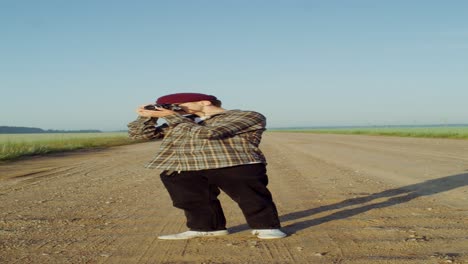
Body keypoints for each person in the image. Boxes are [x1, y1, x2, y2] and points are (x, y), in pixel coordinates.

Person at [127, 92, 286, 240]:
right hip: (185, 165)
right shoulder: (184, 121)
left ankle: (266, 226)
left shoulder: (247, 115)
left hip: (234, 162)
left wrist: (172, 116)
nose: (175, 108)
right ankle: (206, 228)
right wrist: (147, 117)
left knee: (250, 196)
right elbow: (140, 135)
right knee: (190, 199)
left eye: (178, 104)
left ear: (205, 101)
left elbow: (209, 133)